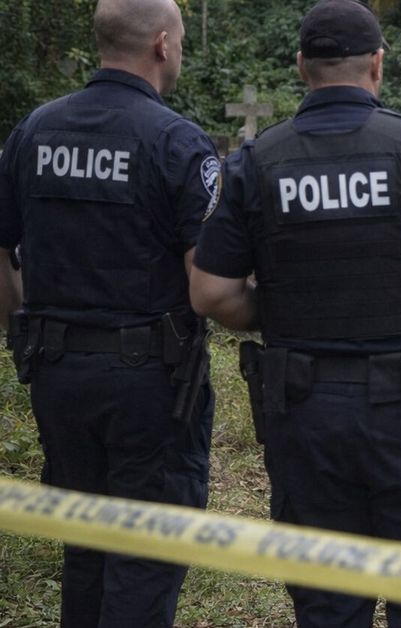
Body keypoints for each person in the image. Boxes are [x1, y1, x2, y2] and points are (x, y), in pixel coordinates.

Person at [189, 1, 401, 625]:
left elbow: (211, 294)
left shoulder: (258, 163)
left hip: (304, 412)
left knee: (329, 605)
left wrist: (283, 312)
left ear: (301, 67)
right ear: (377, 64)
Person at [0, 0, 217, 625]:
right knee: (145, 553)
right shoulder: (176, 141)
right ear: (162, 45)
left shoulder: (34, 130)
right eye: (178, 40)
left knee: (87, 546)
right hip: (149, 384)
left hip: (56, 373)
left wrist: (23, 328)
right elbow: (205, 284)